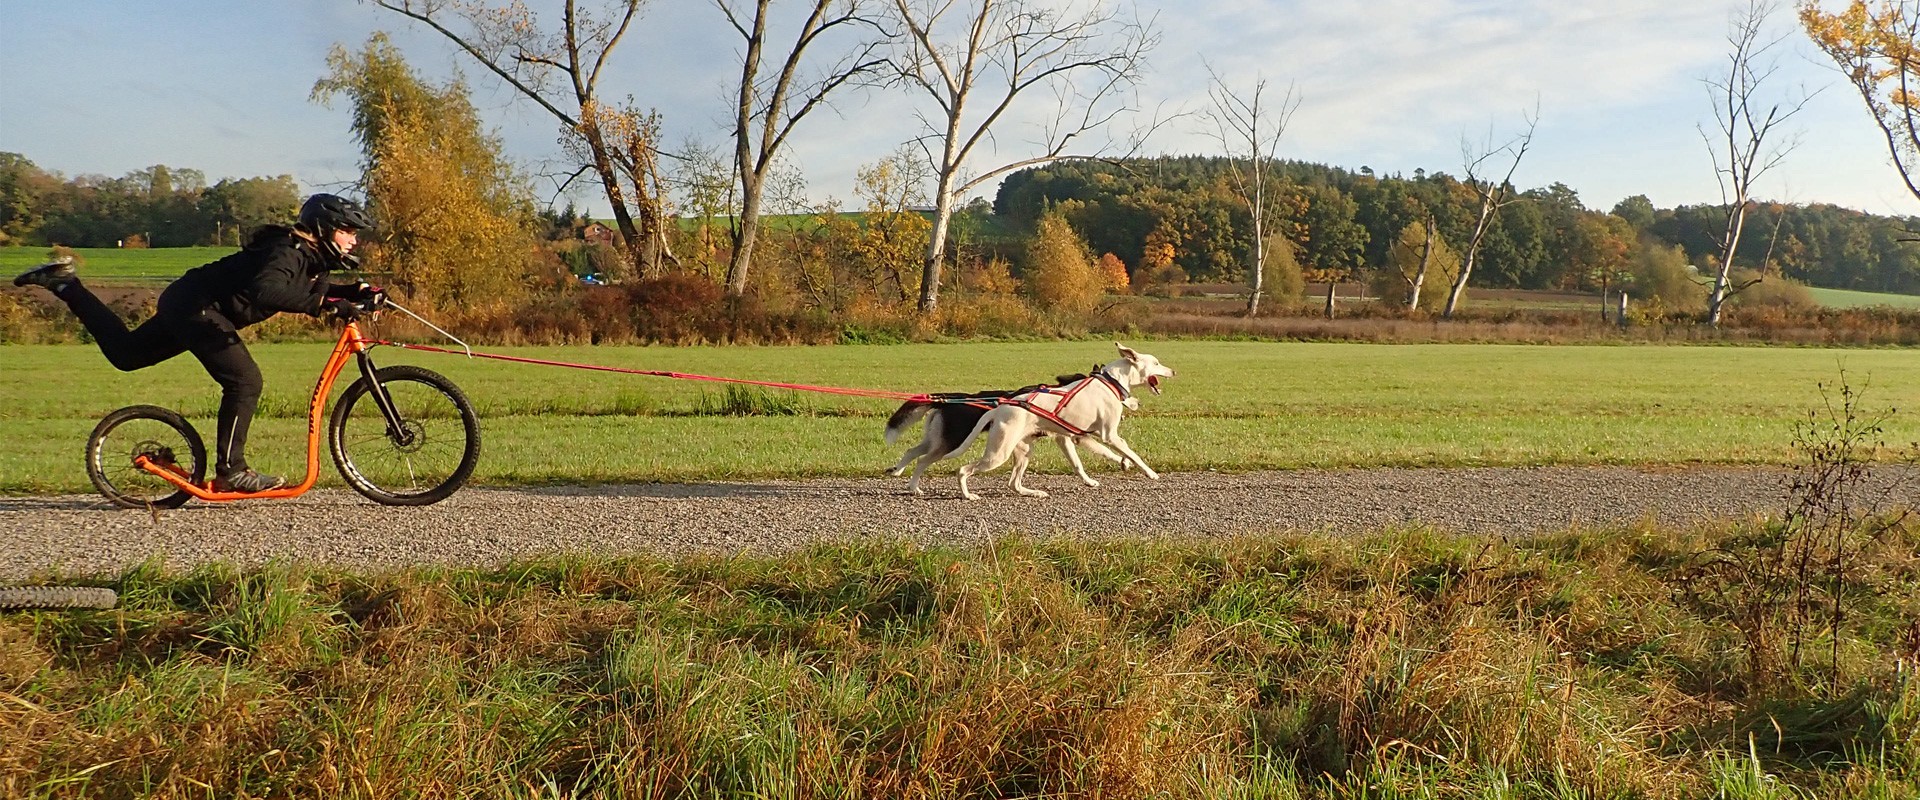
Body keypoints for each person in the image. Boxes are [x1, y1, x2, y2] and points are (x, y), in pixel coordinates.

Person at [13, 193, 381, 493]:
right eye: (348, 231)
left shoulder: (307, 258)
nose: (354, 239)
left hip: (189, 302)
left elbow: (296, 286)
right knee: (245, 381)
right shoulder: (286, 251)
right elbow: (267, 290)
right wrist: (322, 305)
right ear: (325, 228)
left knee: (126, 355)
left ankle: (64, 284)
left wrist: (350, 292)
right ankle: (231, 471)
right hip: (197, 307)